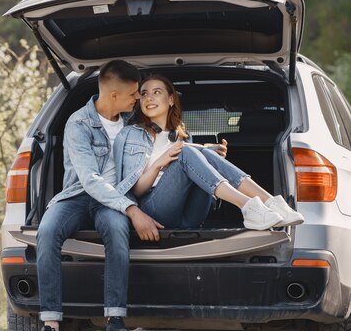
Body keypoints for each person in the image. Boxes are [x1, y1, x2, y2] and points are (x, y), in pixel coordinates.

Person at [31, 60, 160, 331]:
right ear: (113, 95)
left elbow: (165, 136)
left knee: (116, 230)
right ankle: (51, 328)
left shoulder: (134, 121)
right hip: (77, 195)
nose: (138, 99)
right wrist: (132, 210)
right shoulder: (78, 123)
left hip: (112, 202)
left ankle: (115, 320)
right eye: (133, 94)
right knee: (47, 231)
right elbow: (89, 180)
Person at [116, 74, 304, 235]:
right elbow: (134, 190)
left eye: (157, 92)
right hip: (153, 212)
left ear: (171, 99)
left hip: (190, 218)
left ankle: (272, 203)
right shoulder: (132, 134)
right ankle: (248, 207)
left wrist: (205, 154)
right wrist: (159, 163)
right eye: (144, 93)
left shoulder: (183, 136)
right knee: (188, 151)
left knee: (200, 151)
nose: (149, 97)